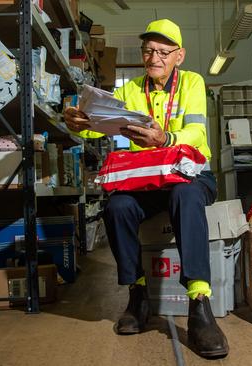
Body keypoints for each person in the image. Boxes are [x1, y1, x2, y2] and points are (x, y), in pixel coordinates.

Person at [64, 19, 228, 358]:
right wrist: (82, 124)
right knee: (117, 206)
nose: (154, 57)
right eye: (148, 50)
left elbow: (197, 134)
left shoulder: (193, 83)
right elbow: (103, 129)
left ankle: (199, 302)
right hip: (148, 179)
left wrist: (165, 138)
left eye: (163, 52)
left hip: (190, 174)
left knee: (185, 195)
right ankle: (138, 294)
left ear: (179, 56)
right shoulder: (129, 89)